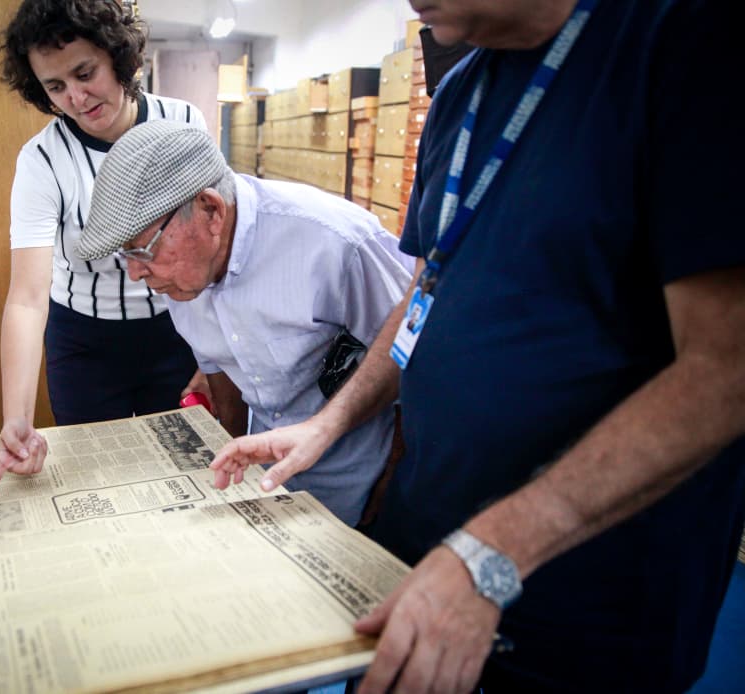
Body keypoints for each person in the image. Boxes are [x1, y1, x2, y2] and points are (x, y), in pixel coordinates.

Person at [208, 1, 745, 692]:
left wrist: (493, 551)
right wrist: (326, 425)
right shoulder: (461, 91)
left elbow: (725, 369)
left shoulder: (684, 43)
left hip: (585, 587)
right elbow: (427, 290)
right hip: (426, 542)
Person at [73, 120, 416, 527]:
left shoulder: (335, 244)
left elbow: (413, 363)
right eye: (124, 255)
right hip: (266, 480)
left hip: (358, 491)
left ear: (211, 210)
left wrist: (388, 495)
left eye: (142, 250)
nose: (135, 273)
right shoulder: (181, 274)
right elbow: (220, 367)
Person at [0, 0, 209, 500]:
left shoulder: (183, 121)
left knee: (179, 478)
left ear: (118, 57)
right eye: (55, 87)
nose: (77, 98)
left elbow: (212, 250)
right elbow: (26, 297)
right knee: (96, 481)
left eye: (85, 73)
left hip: (174, 332)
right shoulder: (42, 159)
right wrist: (16, 417)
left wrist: (213, 355)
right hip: (84, 342)